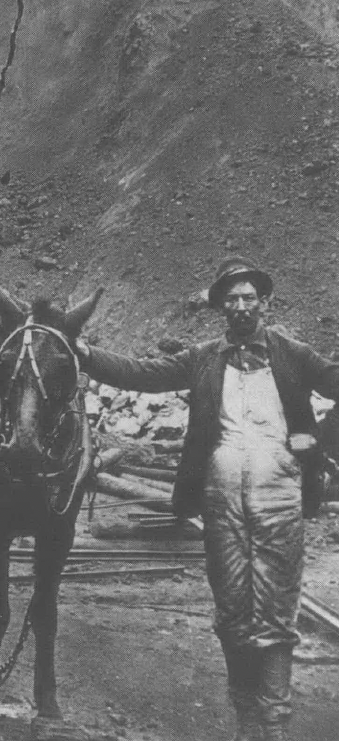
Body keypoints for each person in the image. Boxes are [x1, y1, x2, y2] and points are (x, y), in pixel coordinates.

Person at [76, 259, 339, 741]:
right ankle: (246, 719)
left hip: (279, 500)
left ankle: (275, 724)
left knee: (277, 614)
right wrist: (85, 352)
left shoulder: (293, 354)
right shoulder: (202, 357)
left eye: (249, 298)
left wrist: (318, 440)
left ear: (265, 302)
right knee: (233, 611)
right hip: (221, 505)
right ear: (219, 307)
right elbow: (141, 374)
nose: (241, 307)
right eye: (231, 299)